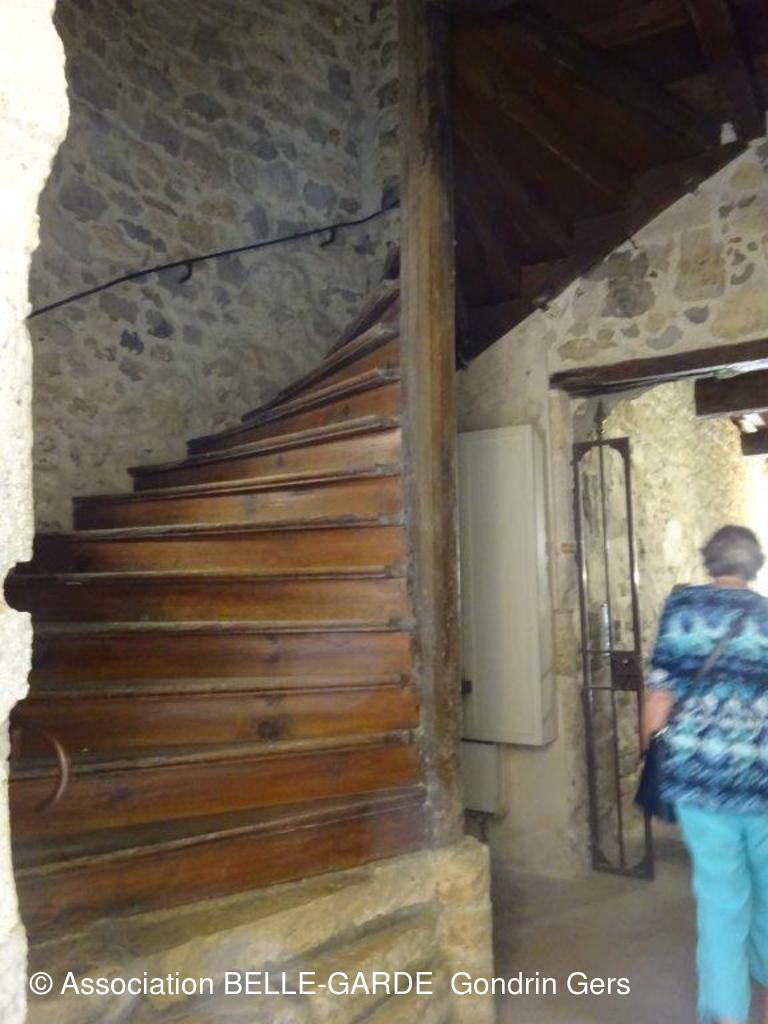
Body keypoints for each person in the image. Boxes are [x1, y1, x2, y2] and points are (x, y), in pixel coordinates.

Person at [642, 525, 768, 1024]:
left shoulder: (683, 610)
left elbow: (659, 694)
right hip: (762, 779)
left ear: (710, 560)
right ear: (754, 564)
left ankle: (724, 1013)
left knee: (720, 898)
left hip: (698, 779)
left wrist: (649, 747)